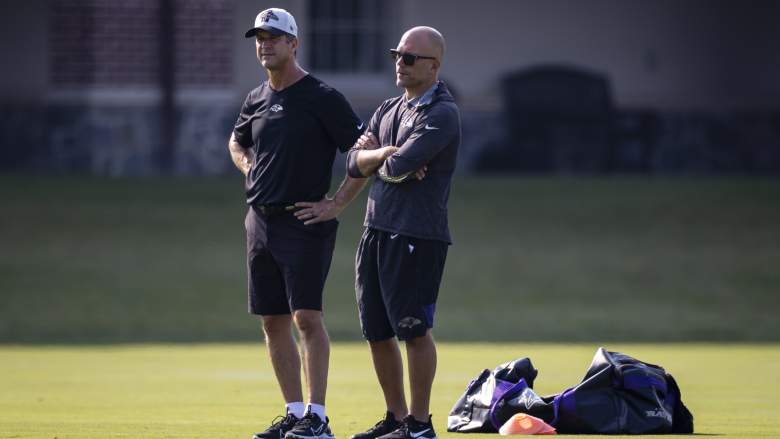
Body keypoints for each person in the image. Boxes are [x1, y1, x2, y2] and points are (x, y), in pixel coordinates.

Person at [228, 8, 368, 439]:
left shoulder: (321, 97)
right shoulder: (256, 98)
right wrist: (247, 164)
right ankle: (292, 412)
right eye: (259, 38)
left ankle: (318, 418)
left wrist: (337, 203)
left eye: (274, 37)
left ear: (293, 44)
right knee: (272, 320)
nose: (265, 44)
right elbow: (237, 139)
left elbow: (361, 152)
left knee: (305, 316)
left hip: (304, 221)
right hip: (260, 221)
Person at [345, 27, 461, 439]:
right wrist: (385, 154)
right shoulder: (390, 108)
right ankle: (395, 418)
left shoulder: (442, 113)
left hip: (417, 234)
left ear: (434, 66)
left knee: (412, 330)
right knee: (376, 330)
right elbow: (354, 162)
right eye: (397, 54)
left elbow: (393, 168)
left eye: (410, 57)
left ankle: (419, 423)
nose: (400, 62)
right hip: (375, 228)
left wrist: (385, 160)